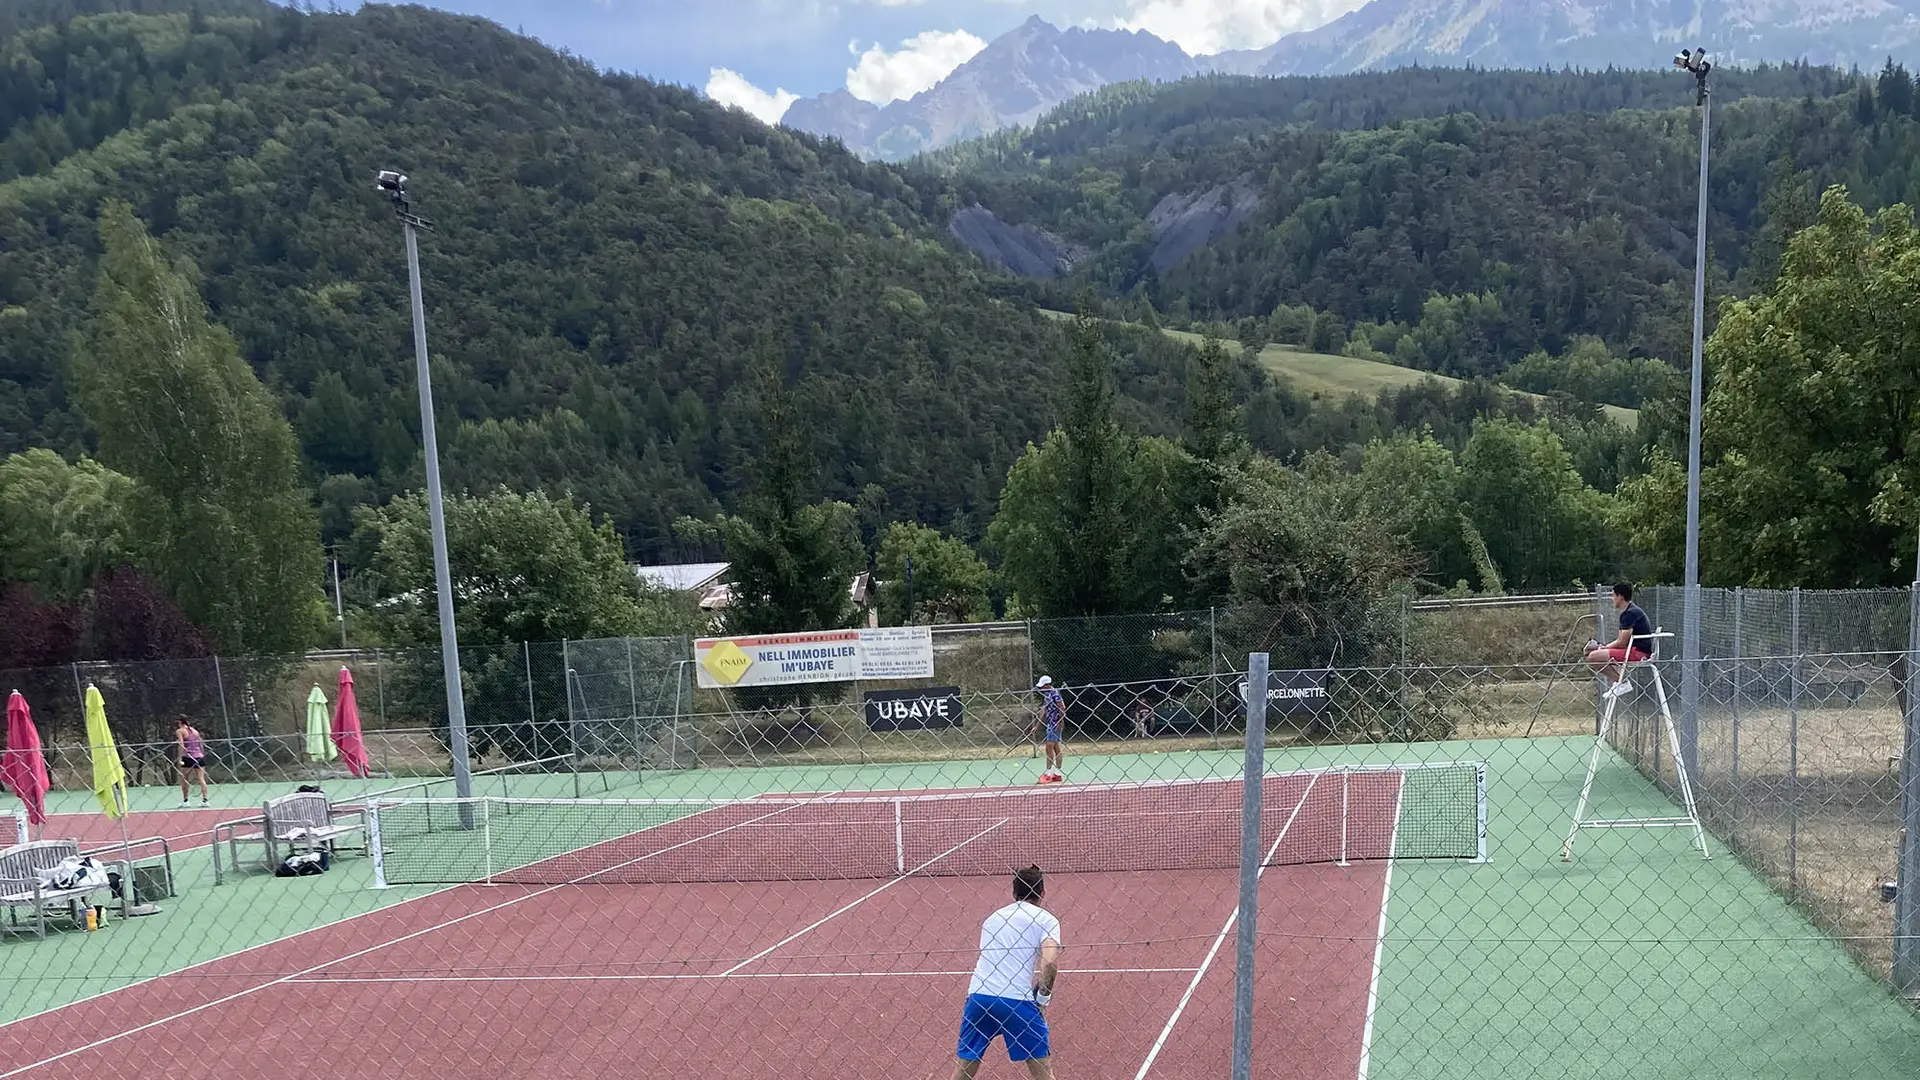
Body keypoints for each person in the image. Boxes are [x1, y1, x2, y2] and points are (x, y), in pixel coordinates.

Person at [952, 865, 1062, 1080]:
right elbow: (1050, 962)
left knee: (964, 1071)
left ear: (1014, 893)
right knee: (1044, 1073)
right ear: (1042, 893)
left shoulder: (992, 918)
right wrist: (1042, 999)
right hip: (1016, 1002)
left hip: (979, 997)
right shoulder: (1047, 920)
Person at [1586, 582, 1655, 699]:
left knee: (1593, 657)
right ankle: (1619, 682)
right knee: (1595, 654)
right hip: (1634, 649)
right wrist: (1604, 648)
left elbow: (1622, 642)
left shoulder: (1629, 613)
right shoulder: (1631, 611)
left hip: (1638, 652)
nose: (1612, 599)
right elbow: (1622, 641)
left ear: (1620, 597)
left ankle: (1621, 682)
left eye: (1613, 596)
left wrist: (1605, 648)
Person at [1032, 676, 1065, 783]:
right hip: (1050, 724)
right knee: (1055, 748)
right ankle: (1057, 775)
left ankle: (1048, 774)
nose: (1041, 689)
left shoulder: (1055, 693)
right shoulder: (1047, 695)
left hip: (1055, 724)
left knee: (1049, 747)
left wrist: (1060, 722)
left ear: (1048, 685)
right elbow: (1044, 711)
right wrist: (1037, 726)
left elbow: (1062, 707)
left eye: (1042, 686)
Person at [176, 715, 210, 806]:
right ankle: (205, 800)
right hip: (199, 757)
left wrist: (179, 758)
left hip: (188, 757)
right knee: (201, 779)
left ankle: (186, 801)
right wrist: (202, 754)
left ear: (180, 722)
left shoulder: (180, 731)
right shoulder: (195, 731)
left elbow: (181, 744)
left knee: (184, 779)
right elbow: (200, 744)